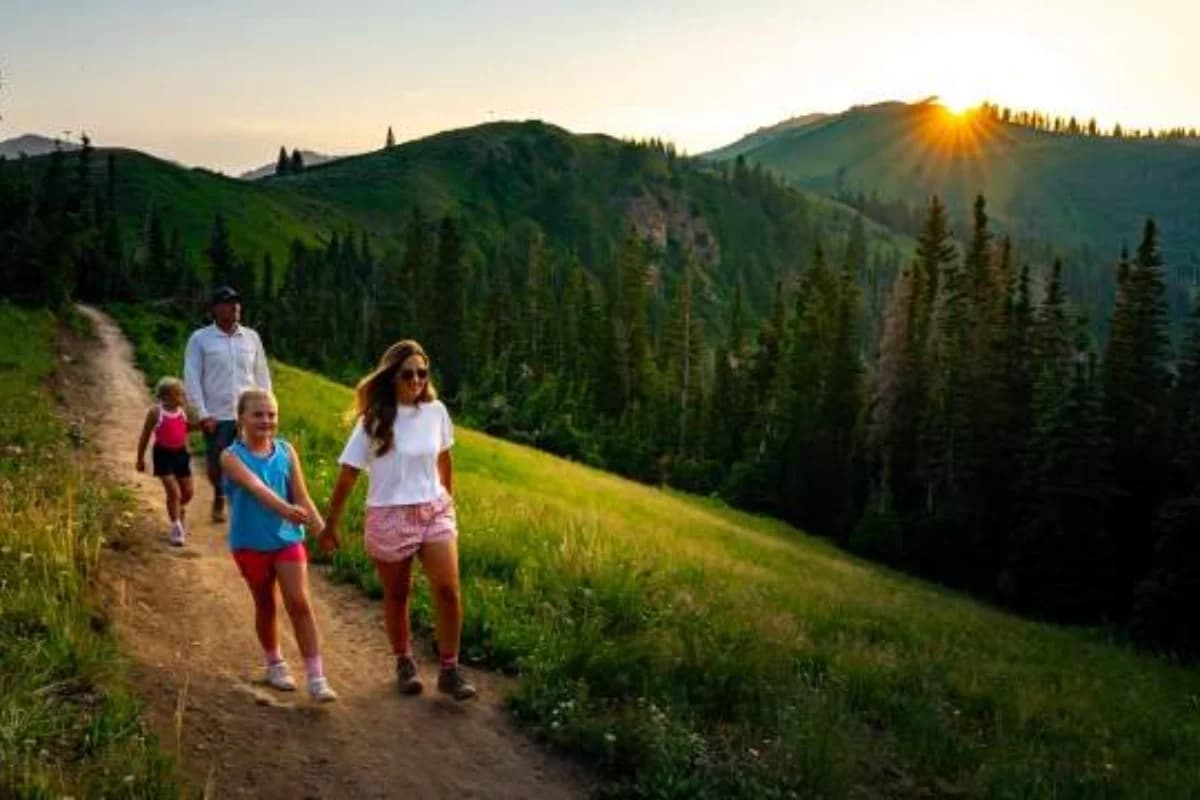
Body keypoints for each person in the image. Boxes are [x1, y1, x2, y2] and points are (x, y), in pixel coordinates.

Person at [321, 340, 477, 701]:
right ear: (392, 377)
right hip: (389, 513)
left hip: (433, 509)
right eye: (408, 374)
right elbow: (348, 475)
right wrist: (331, 524)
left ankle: (450, 669)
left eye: (423, 373)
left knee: (448, 590)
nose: (417, 380)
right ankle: (404, 662)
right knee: (397, 593)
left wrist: (446, 497)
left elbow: (444, 458)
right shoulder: (373, 420)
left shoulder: (436, 411)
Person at [221, 388, 337, 703]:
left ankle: (316, 677)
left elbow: (301, 496)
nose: (266, 420)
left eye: (271, 414)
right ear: (241, 418)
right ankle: (275, 662)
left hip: (287, 540)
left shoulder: (286, 451)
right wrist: (285, 510)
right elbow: (255, 486)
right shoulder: (231, 457)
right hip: (250, 544)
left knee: (299, 602)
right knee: (265, 604)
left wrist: (321, 529)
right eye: (258, 414)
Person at [184, 285, 272, 524]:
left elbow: (262, 375)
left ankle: (249, 508)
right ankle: (219, 495)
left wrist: (268, 411)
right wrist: (202, 414)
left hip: (248, 415)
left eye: (237, 302)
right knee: (216, 462)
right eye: (228, 303)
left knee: (253, 461)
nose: (234, 307)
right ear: (215, 309)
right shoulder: (200, 339)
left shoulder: (251, 337)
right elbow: (192, 377)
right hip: (216, 414)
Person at [135, 376, 195, 546]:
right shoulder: (156, 412)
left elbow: (186, 427)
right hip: (163, 455)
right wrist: (140, 459)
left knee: (188, 493)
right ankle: (176, 528)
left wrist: (203, 425)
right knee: (174, 492)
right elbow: (145, 436)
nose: (182, 398)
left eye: (182, 394)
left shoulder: (183, 411)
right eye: (178, 395)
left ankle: (176, 507)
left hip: (181, 455)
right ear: (165, 396)